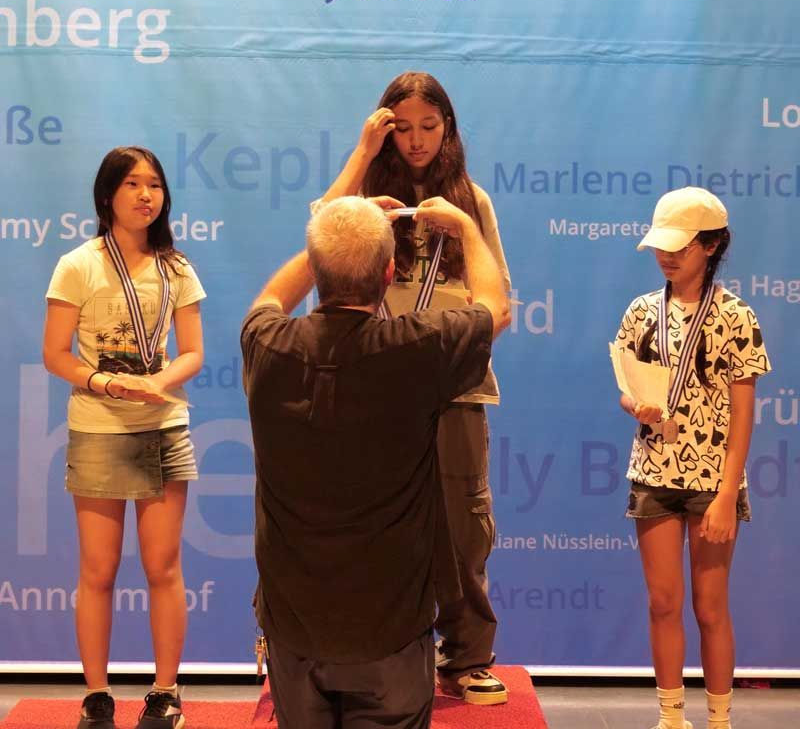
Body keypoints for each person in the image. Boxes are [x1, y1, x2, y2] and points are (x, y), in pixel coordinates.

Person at [241, 195, 510, 729]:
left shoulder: (266, 343)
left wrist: (335, 233)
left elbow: (271, 296)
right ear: (390, 273)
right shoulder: (418, 348)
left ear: (315, 270)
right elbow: (496, 308)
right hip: (392, 629)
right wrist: (466, 229)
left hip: (295, 630)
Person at [318, 71, 512, 705]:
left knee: (463, 527)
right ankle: (390, 655)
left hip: (456, 388)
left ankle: (468, 657)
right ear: (384, 128)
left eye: (430, 126)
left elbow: (500, 307)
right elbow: (322, 233)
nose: (417, 140)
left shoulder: (472, 202)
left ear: (449, 129)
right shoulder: (370, 197)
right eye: (402, 128)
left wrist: (466, 230)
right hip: (382, 387)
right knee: (380, 525)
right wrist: (361, 155)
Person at [43, 147, 206, 729]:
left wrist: (159, 381)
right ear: (107, 194)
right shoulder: (78, 264)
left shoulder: (177, 267)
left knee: (163, 567)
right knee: (98, 570)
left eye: (155, 185)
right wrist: (104, 382)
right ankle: (96, 697)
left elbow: (193, 351)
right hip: (99, 427)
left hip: (162, 426)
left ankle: (166, 693)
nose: (145, 195)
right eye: (133, 184)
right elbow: (54, 354)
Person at [613, 187, 770, 729]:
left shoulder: (736, 316)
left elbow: (743, 413)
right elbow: (625, 389)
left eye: (680, 245)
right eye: (661, 244)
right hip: (653, 472)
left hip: (711, 481)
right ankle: (671, 719)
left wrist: (728, 494)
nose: (667, 254)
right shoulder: (641, 311)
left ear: (712, 245)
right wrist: (640, 405)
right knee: (662, 602)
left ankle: (720, 720)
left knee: (709, 607)